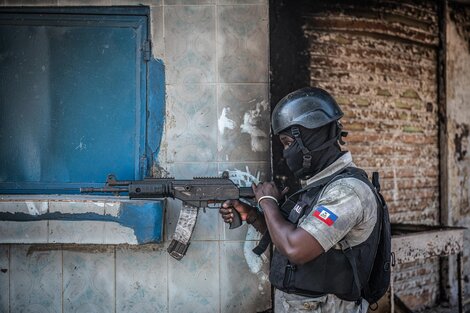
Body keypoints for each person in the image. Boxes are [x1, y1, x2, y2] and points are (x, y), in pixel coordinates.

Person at [220, 87, 382, 313]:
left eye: (288, 143)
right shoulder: (321, 187)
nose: (286, 153)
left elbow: (295, 248)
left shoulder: (347, 192)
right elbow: (294, 234)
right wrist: (255, 216)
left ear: (310, 138)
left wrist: (267, 201)